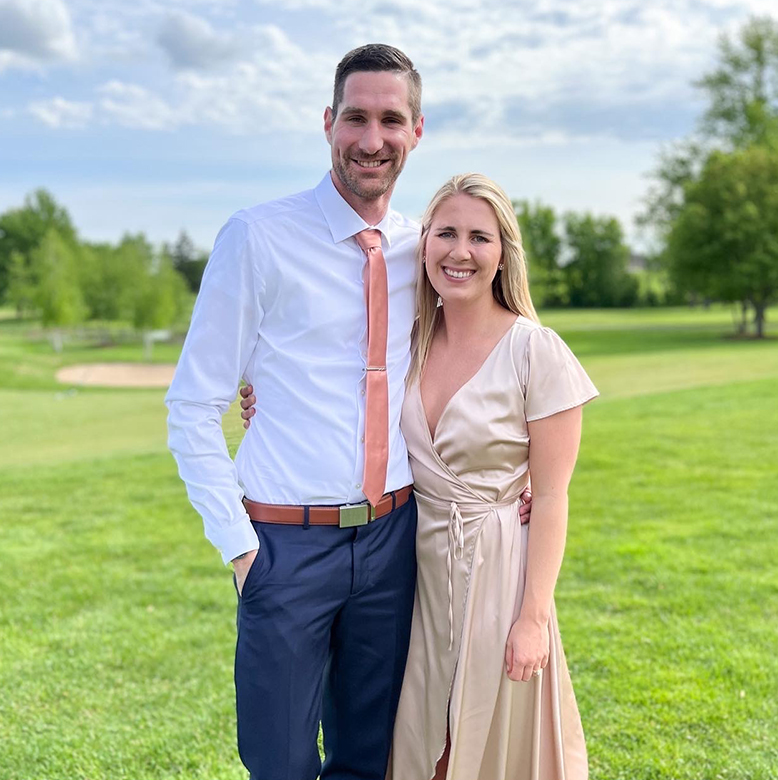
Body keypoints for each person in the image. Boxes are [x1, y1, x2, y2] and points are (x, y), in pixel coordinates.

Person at [166, 44, 531, 780]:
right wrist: (243, 553)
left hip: (397, 540)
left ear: (417, 131)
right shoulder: (257, 236)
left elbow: (467, 359)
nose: (373, 139)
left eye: (391, 120)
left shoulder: (422, 250)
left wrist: (510, 473)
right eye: (356, 118)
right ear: (329, 123)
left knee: (374, 757)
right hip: (284, 545)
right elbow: (192, 405)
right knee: (283, 762)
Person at [243, 174, 598, 779]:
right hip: (408, 564)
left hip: (497, 568)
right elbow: (332, 382)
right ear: (424, 242)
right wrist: (266, 397)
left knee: (482, 733)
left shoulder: (537, 350)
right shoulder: (412, 337)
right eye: (447, 233)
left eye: (480, 237)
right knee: (418, 736)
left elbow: (556, 496)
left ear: (503, 252)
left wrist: (533, 617)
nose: (461, 251)